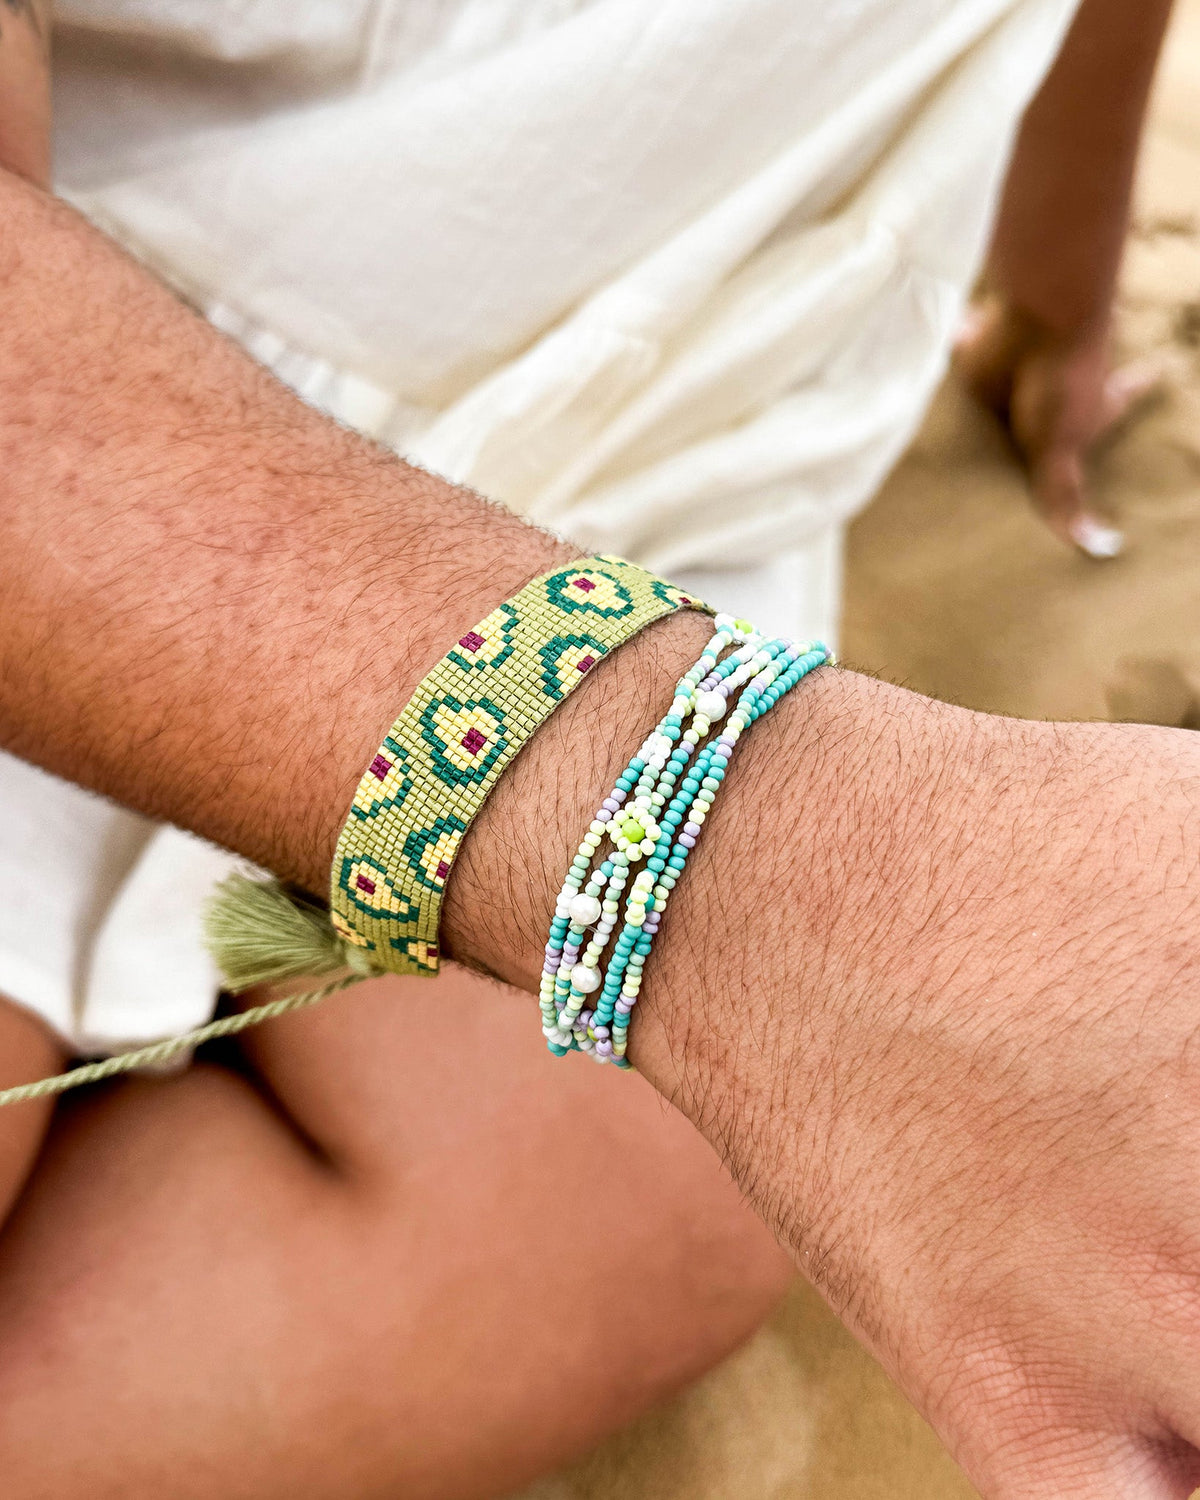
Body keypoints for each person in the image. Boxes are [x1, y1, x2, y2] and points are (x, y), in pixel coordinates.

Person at [0, 4, 1195, 1500]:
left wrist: (1061, 287)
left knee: (631, 1228)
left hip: (672, 463)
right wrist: (734, 842)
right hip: (99, 385)